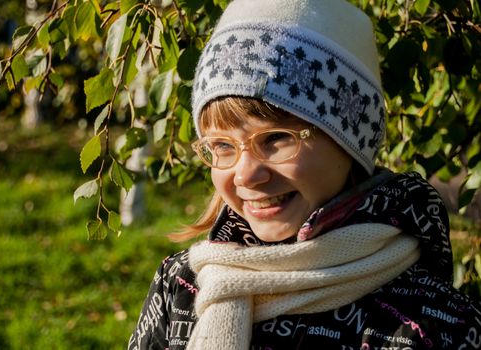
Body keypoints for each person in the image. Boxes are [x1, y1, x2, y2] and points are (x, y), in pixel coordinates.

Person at [128, 0, 481, 349]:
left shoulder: (434, 324)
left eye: (276, 139)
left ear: (349, 142)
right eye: (222, 145)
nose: (247, 175)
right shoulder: (181, 286)